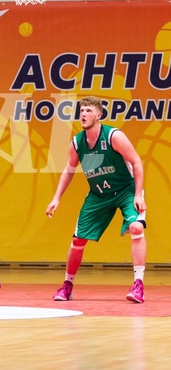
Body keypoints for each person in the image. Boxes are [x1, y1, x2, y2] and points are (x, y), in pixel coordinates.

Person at [46, 96, 147, 303]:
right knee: (77, 240)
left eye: (88, 111)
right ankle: (67, 285)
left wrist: (137, 194)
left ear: (99, 115)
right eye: (81, 110)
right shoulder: (77, 142)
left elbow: (137, 162)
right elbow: (69, 170)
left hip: (126, 190)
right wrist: (56, 198)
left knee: (136, 227)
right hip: (98, 195)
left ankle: (138, 285)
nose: (83, 114)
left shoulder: (113, 136)